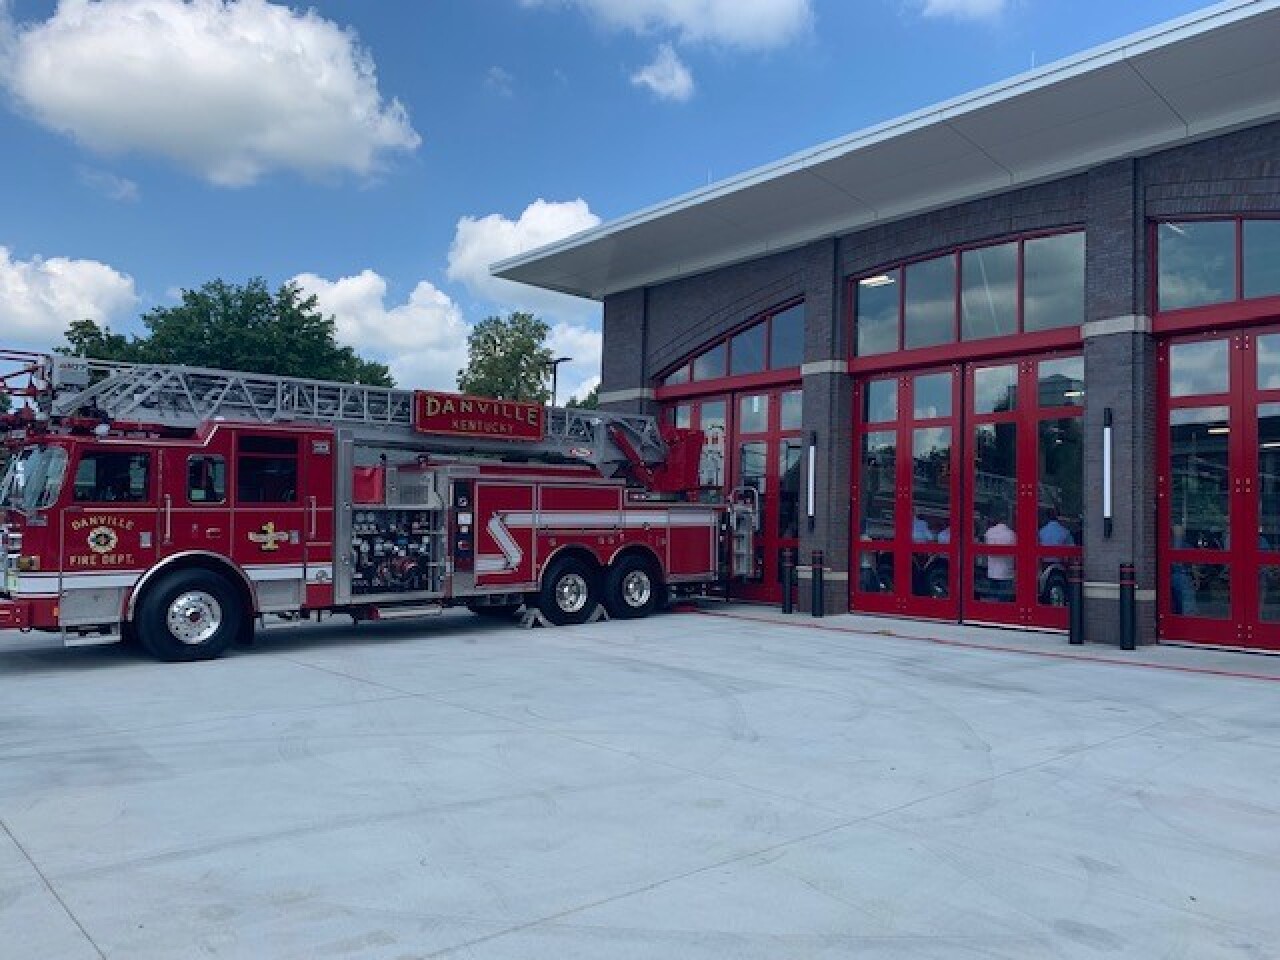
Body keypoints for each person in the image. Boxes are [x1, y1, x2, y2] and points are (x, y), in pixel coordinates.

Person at [983, 507, 1016, 599]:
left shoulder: (989, 532)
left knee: (992, 599)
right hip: (1006, 573)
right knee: (1004, 601)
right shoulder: (1012, 534)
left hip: (992, 572)